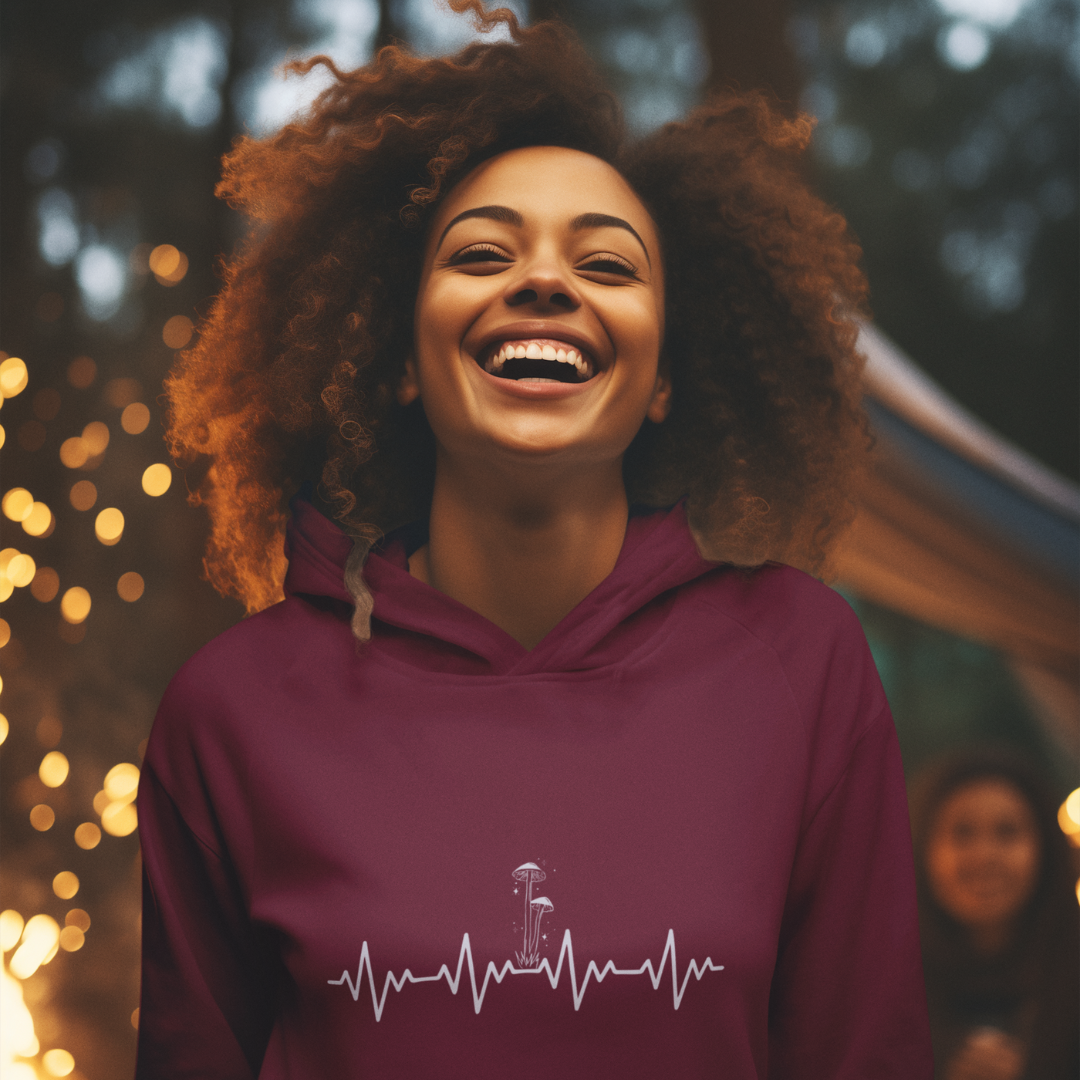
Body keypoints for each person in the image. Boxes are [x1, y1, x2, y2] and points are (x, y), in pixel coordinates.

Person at [136, 3, 933, 1075]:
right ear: (400, 359)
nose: (545, 280)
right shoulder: (230, 711)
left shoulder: (802, 665)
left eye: (607, 266)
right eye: (482, 253)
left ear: (663, 383)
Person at [911, 748, 1079, 1080]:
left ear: (1045, 848)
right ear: (920, 849)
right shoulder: (880, 985)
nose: (985, 856)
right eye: (962, 833)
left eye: (1007, 832)